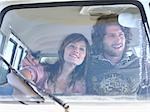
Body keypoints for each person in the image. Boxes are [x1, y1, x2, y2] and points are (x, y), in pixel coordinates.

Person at [7, 33, 90, 96]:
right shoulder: (43, 70)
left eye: (82, 49)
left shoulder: (84, 82)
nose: (76, 50)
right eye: (72, 46)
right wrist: (35, 96)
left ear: (85, 57)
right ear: (63, 50)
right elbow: (15, 77)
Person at [86, 14, 141, 96]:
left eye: (121, 35)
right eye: (112, 36)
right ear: (100, 40)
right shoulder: (87, 65)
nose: (118, 40)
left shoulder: (141, 66)